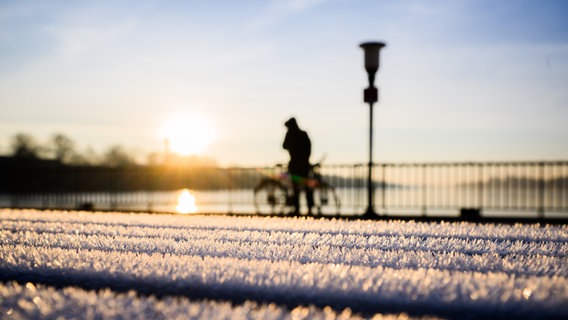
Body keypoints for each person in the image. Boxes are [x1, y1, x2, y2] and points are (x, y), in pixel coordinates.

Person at [282, 117, 314, 215]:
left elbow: (284, 146)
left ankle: (297, 209)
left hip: (295, 166)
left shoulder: (290, 134)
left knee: (296, 189)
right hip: (304, 165)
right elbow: (309, 148)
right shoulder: (303, 134)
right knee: (306, 187)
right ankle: (309, 209)